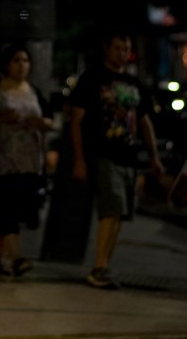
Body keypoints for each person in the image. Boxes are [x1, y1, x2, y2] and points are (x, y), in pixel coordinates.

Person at [70, 28, 165, 289]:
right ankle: (99, 266)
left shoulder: (135, 84)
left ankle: (104, 265)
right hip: (103, 153)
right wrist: (79, 159)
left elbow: (144, 121)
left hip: (129, 156)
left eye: (126, 49)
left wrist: (154, 157)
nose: (122, 53)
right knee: (111, 209)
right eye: (117, 48)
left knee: (120, 214)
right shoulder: (92, 78)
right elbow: (76, 119)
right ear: (107, 49)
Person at [0, 43, 54, 279]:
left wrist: (41, 123)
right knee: (7, 206)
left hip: (29, 160)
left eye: (25, 61)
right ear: (6, 64)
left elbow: (49, 119)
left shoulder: (33, 90)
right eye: (16, 61)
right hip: (1, 159)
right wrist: (2, 118)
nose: (22, 66)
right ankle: (15, 258)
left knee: (9, 209)